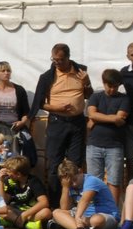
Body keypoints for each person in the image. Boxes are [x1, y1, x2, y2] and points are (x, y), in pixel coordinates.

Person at [30, 43, 92, 178]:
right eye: (54, 60)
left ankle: (72, 197)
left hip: (77, 122)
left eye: (60, 60)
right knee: (54, 163)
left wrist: (86, 83)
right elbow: (39, 104)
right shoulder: (47, 77)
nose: (57, 63)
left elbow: (89, 95)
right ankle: (55, 197)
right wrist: (56, 108)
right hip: (58, 122)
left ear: (68, 58)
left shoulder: (80, 72)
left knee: (75, 163)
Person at [84, 68, 129, 210]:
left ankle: (113, 212)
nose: (112, 89)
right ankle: (94, 211)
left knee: (114, 181)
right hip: (94, 145)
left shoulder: (124, 98)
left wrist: (98, 117)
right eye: (110, 86)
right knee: (93, 181)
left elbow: (120, 117)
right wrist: (113, 118)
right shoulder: (95, 97)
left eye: (115, 86)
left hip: (115, 146)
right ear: (104, 83)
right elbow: (91, 114)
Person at [52, 158, 120, 229]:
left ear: (80, 172)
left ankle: (68, 225)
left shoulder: (91, 181)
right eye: (70, 183)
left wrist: (77, 217)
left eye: (75, 179)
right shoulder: (69, 186)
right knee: (56, 212)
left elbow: (84, 201)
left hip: (105, 216)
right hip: (83, 217)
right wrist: (65, 188)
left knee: (96, 220)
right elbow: (65, 208)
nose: (73, 184)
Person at [0, 61, 34, 163]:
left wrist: (22, 123)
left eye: (8, 70)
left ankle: (18, 167)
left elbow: (26, 113)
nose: (7, 73)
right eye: (3, 71)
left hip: (14, 127)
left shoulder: (19, 90)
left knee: (26, 143)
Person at [0, 155, 51, 229]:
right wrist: (1, 181)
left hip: (30, 212)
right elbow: (3, 201)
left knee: (47, 212)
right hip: (16, 210)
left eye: (9, 171)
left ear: (18, 174)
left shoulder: (33, 181)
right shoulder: (9, 180)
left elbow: (44, 202)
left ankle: (15, 222)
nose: (7, 173)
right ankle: (27, 225)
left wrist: (24, 215)